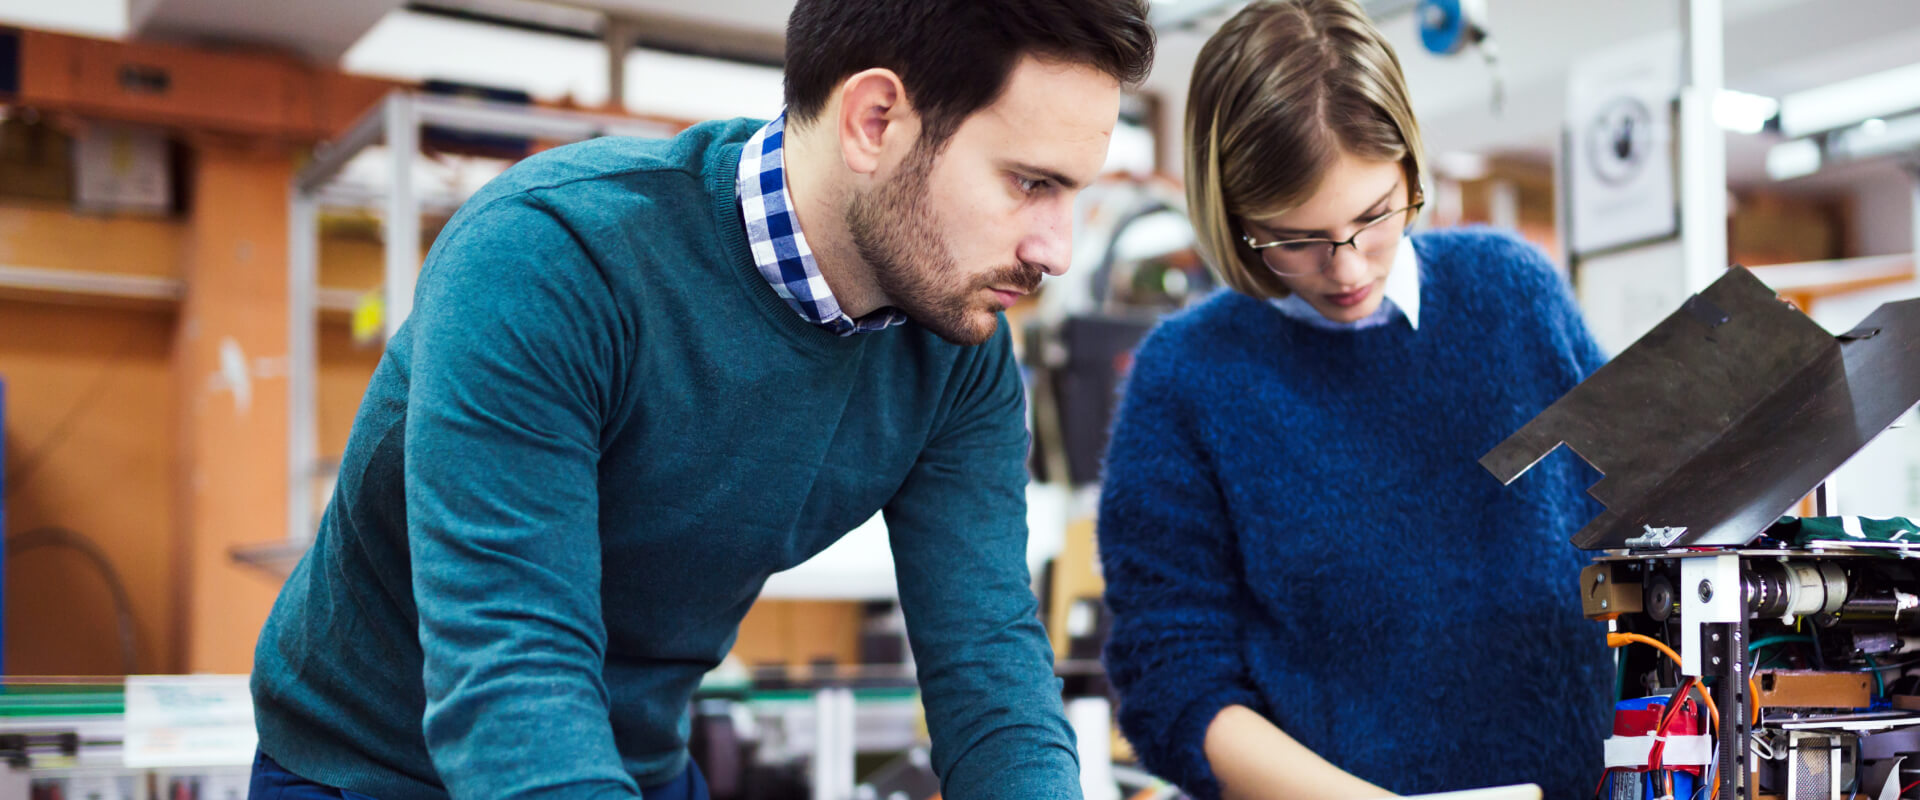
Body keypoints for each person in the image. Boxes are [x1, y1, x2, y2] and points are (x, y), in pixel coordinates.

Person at [248, 2, 1154, 798]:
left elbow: (991, 676)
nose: (1056, 251)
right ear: (875, 120)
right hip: (373, 765)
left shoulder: (956, 349)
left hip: (637, 763)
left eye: (1072, 194)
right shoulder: (552, 261)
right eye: (1031, 183)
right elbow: (512, 675)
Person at [1096, 2, 1610, 799]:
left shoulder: (1514, 293)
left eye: (1373, 218)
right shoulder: (1188, 377)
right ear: (1232, 221)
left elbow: (1648, 534)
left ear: (1410, 166)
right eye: (1296, 239)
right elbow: (1172, 685)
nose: (1346, 270)